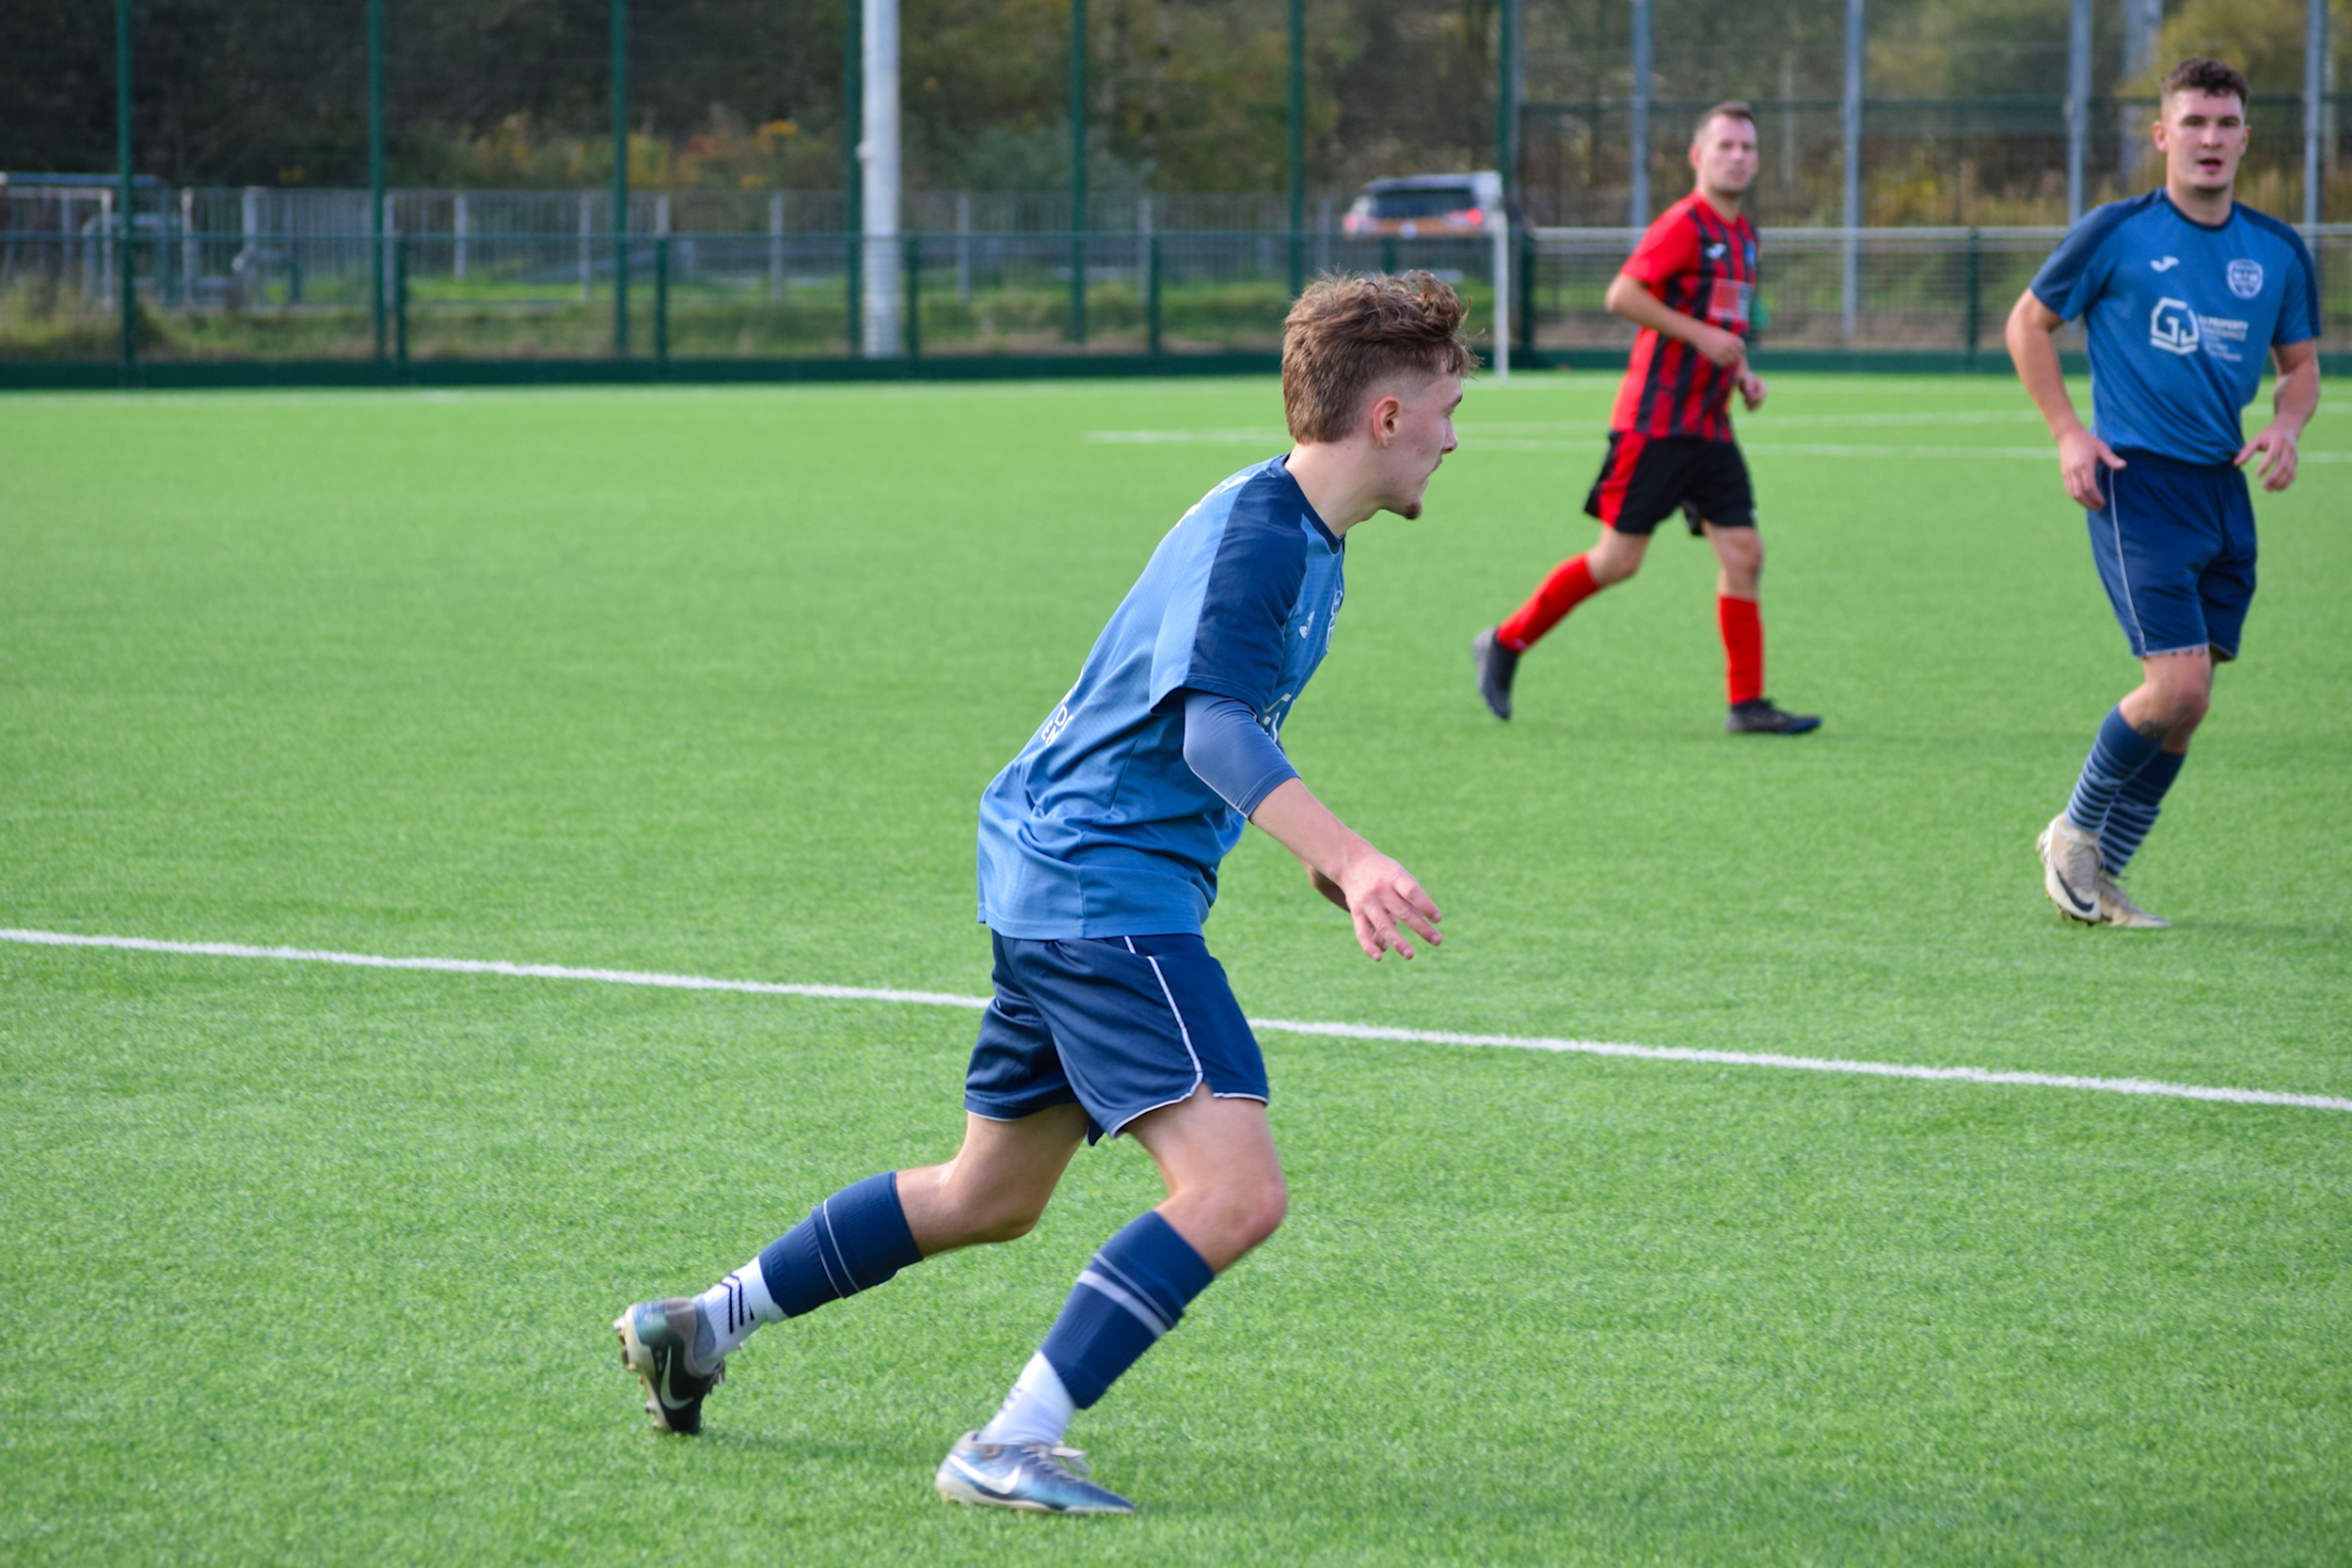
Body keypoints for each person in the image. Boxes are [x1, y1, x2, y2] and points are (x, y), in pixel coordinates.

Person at [612, 273, 1468, 1514]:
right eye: (1444, 405)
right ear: (1383, 414)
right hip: (1098, 883)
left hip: (1056, 867)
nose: (1456, 434)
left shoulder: (1295, 529)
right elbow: (1213, 729)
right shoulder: (1264, 537)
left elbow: (1201, 722)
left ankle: (702, 1322)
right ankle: (1008, 1444)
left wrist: (1297, 849)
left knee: (990, 1193)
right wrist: (1343, 850)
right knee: (1234, 1190)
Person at [2006, 56, 2318, 927]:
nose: (2210, 140)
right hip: (2135, 484)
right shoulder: (2116, 232)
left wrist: (2287, 426)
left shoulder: (2278, 250)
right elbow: (2028, 323)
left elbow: (2301, 370)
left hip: (2223, 489)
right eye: (2194, 123)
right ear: (2162, 135)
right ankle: (2071, 830)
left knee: (2191, 707)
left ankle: (2102, 877)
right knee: (2174, 688)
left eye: (2225, 125)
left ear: (2246, 138)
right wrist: (2069, 431)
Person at [1472, 101, 1820, 735]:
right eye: (1725, 146)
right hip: (1654, 424)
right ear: (1697, 156)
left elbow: (1722, 323)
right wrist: (1699, 337)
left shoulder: (1746, 236)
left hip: (1710, 427)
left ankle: (1747, 705)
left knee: (1744, 553)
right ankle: (1505, 641)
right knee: (1617, 561)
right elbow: (1622, 293)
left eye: (1747, 147)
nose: (1738, 156)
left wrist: (1739, 371)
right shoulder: (1683, 224)